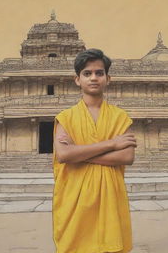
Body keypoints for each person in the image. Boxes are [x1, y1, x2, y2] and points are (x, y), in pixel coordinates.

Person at [52, 48, 137, 253]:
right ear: (77, 80)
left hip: (111, 202)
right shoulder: (66, 117)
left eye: (99, 73)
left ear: (108, 78)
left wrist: (80, 154)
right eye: (87, 73)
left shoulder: (120, 117)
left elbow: (126, 156)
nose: (94, 78)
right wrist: (111, 144)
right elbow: (64, 155)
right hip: (74, 202)